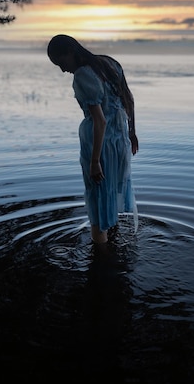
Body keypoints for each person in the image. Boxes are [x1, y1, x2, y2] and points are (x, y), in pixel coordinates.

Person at [47, 34, 138, 244]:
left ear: (71, 52)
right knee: (110, 198)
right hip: (119, 143)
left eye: (61, 62)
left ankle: (101, 263)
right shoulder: (109, 63)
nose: (62, 69)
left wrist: (95, 161)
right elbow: (129, 100)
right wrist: (132, 132)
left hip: (99, 146)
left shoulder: (82, 75)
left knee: (98, 209)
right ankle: (115, 251)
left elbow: (100, 121)